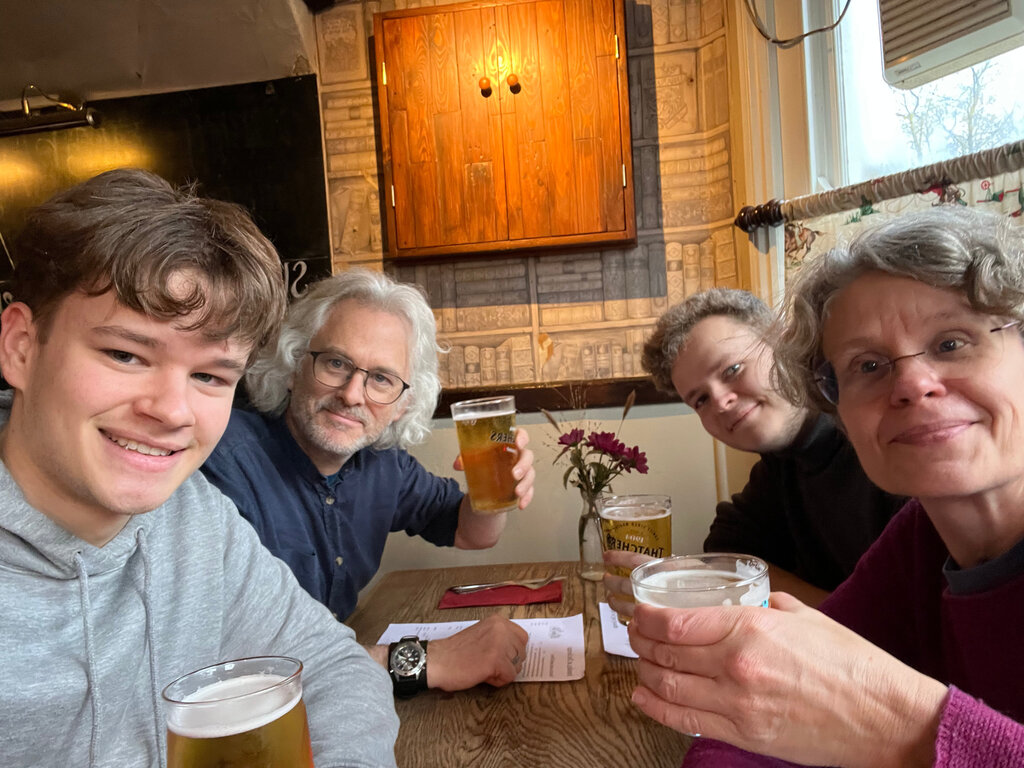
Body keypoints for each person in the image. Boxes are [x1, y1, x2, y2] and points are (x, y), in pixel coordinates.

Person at [0, 169, 399, 767]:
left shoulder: (193, 515)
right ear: (21, 348)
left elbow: (331, 665)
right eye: (125, 354)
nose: (171, 411)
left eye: (209, 375)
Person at [629, 206, 1024, 767]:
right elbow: (736, 730)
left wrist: (905, 727)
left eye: (951, 343)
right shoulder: (919, 539)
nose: (912, 384)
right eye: (869, 366)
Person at [201, 268, 535, 696]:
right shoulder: (222, 463)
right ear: (293, 366)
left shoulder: (382, 463)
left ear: (402, 405)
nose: (352, 394)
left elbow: (472, 532)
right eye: (336, 363)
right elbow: (229, 665)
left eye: (381, 378)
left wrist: (499, 490)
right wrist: (425, 661)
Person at [604, 288, 903, 611]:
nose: (720, 402)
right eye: (701, 399)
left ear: (785, 344)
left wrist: (736, 590)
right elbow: (725, 549)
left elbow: (908, 628)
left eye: (732, 370)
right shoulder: (779, 468)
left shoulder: (887, 450)